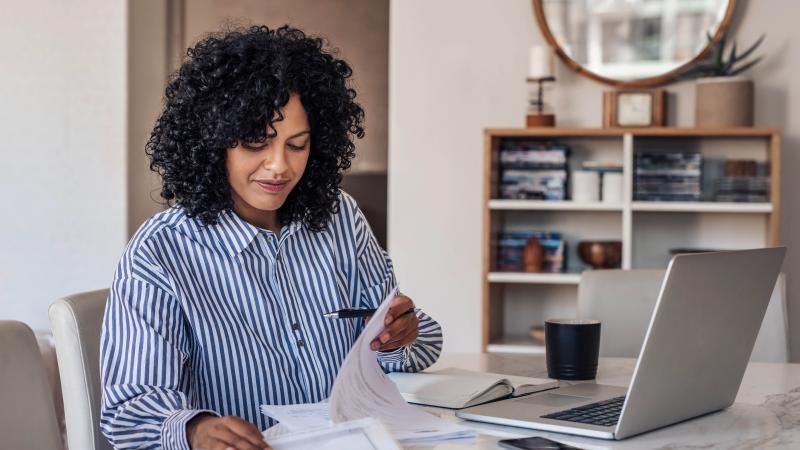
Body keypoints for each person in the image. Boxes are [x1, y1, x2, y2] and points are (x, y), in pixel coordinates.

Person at [100, 25, 443, 450]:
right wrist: (194, 432)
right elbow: (130, 412)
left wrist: (400, 335)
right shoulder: (160, 252)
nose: (279, 166)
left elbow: (407, 351)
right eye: (255, 143)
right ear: (212, 144)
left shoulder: (340, 217)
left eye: (296, 145)